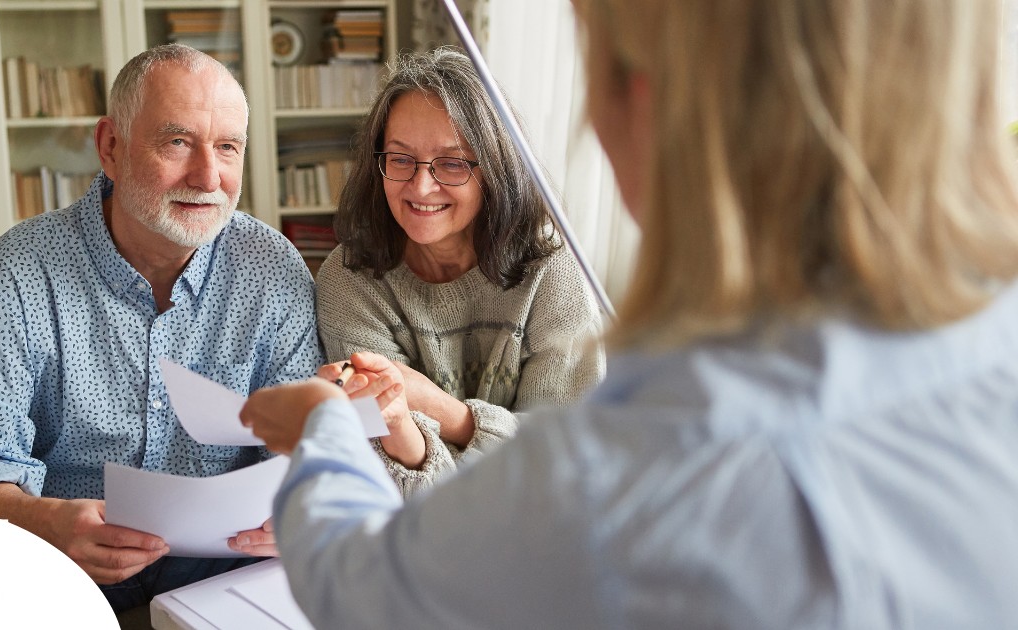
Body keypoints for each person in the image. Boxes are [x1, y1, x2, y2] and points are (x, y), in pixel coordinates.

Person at [240, 1, 1018, 627]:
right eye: (401, 160)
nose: (420, 186)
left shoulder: (628, 470)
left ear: (647, 99)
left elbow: (362, 589)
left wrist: (323, 429)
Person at [0, 44, 322, 613]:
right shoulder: (13, 276)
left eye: (227, 147)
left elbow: (310, 439)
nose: (209, 176)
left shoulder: (271, 267)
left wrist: (301, 501)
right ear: (110, 147)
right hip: (60, 578)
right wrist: (42, 521)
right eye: (178, 142)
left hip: (227, 580)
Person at [316, 47, 606, 497]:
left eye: (452, 163)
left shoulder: (551, 270)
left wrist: (440, 409)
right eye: (400, 158)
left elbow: (569, 460)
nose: (421, 186)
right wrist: (396, 419)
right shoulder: (349, 278)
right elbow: (392, 487)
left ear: (494, 168)